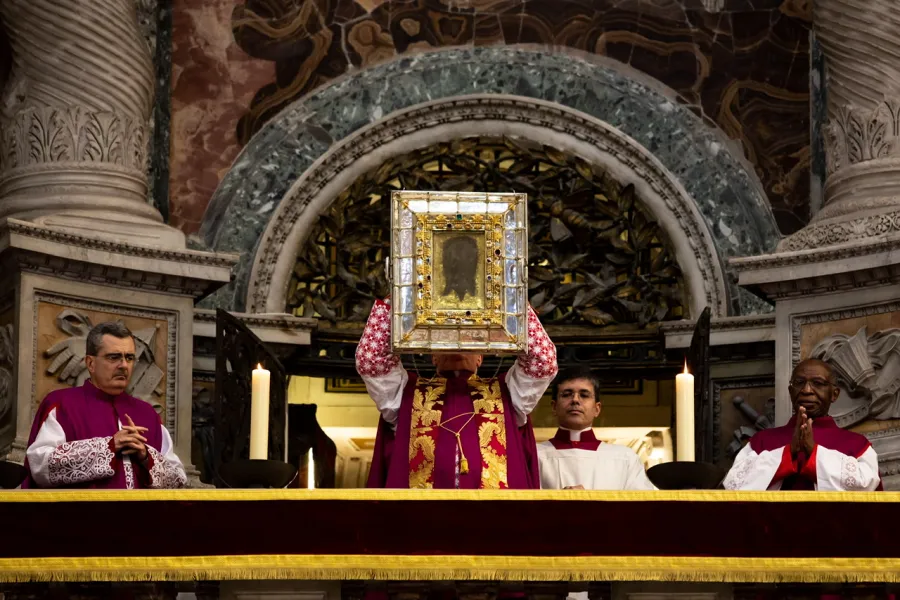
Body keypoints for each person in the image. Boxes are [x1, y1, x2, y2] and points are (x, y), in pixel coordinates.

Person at [357, 298, 557, 489]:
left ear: (480, 357)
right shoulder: (406, 393)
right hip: (420, 517)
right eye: (446, 340)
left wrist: (513, 304)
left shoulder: (508, 392)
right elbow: (371, 361)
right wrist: (397, 301)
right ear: (433, 356)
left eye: (468, 340)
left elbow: (543, 363)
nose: (457, 345)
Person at [22, 322, 186, 489]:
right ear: (90, 363)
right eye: (114, 357)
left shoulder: (147, 414)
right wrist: (108, 447)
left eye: (129, 358)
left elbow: (178, 481)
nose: (123, 365)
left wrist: (145, 456)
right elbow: (40, 466)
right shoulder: (62, 404)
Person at [723, 358, 880, 491]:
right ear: (791, 391)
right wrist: (788, 452)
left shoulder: (857, 445)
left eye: (818, 383)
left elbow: (868, 488)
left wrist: (815, 452)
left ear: (834, 394)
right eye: (799, 382)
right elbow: (733, 486)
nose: (806, 390)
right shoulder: (762, 441)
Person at [538, 366, 655, 490]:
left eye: (584, 395)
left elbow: (641, 506)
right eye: (567, 394)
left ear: (597, 409)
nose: (575, 400)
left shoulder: (625, 458)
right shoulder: (534, 456)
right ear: (554, 407)